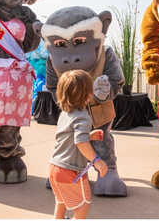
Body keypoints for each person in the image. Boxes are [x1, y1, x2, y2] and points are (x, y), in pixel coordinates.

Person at [49, 69, 108, 219]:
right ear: (87, 94)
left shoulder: (65, 114)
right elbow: (80, 143)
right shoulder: (83, 117)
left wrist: (89, 136)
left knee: (62, 197)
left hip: (55, 166)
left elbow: (70, 136)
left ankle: (58, 218)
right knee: (83, 202)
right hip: (71, 170)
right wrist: (97, 161)